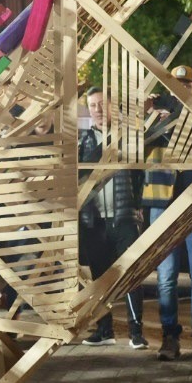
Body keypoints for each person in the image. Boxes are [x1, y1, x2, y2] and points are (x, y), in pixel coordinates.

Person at [139, 73, 192, 361]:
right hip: (162, 202)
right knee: (166, 277)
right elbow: (132, 146)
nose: (181, 90)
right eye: (176, 85)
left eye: (187, 85)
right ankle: (170, 337)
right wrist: (145, 115)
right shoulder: (156, 118)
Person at [78, 88, 147, 349]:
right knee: (99, 277)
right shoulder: (83, 140)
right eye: (92, 105)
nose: (96, 110)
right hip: (93, 221)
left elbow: (139, 175)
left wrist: (138, 205)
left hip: (124, 216)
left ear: (112, 108)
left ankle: (136, 331)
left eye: (101, 104)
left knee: (131, 274)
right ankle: (105, 329)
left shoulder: (128, 138)